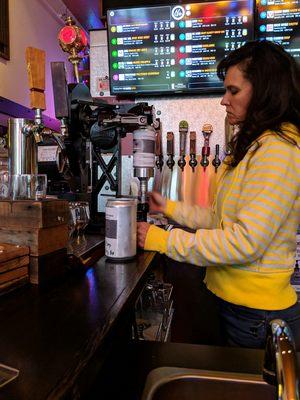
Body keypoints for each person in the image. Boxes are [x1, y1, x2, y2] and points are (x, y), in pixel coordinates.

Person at [137, 40, 300, 349]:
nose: (224, 100)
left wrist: (163, 240)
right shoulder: (254, 145)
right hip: (234, 302)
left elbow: (245, 241)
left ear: (265, 91)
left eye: (233, 91)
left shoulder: (278, 149)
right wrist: (168, 207)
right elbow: (218, 219)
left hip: (256, 313)